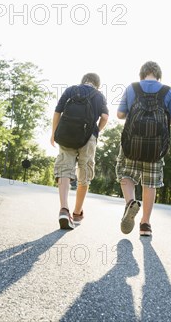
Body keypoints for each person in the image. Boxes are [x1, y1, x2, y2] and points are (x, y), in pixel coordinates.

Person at [116, 61, 171, 236]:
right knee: (150, 183)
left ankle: (130, 203)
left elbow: (120, 114)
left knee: (126, 175)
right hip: (156, 147)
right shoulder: (167, 91)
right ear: (158, 74)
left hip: (132, 143)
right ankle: (145, 225)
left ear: (142, 73)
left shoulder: (132, 88)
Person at [51, 73, 109, 230]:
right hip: (88, 138)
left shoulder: (71, 90)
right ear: (97, 84)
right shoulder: (99, 95)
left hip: (66, 134)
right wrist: (96, 131)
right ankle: (77, 213)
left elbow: (58, 112)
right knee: (84, 173)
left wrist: (53, 133)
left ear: (83, 81)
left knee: (64, 169)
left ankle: (64, 209)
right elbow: (105, 116)